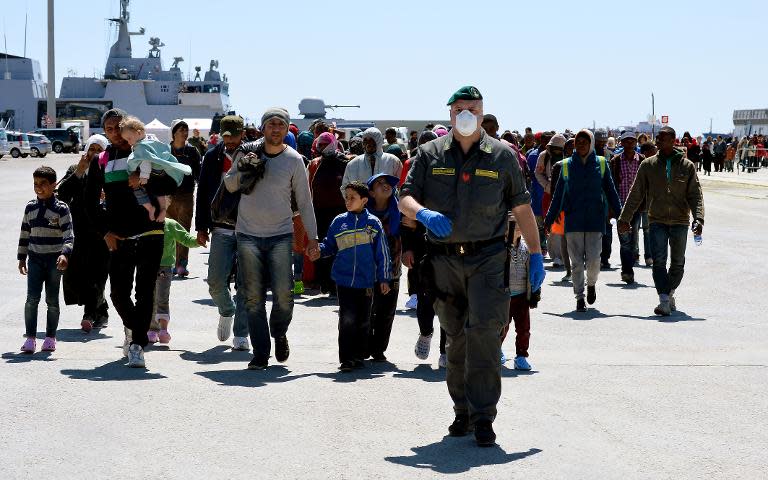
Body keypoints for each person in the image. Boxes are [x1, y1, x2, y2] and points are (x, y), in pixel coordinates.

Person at [399, 86, 545, 447]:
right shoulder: (429, 153)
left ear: (482, 113)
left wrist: (537, 252)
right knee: (456, 335)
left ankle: (483, 416)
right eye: (459, 108)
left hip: (488, 259)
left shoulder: (501, 156)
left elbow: (523, 207)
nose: (465, 114)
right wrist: (423, 213)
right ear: (450, 114)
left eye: (472, 108)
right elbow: (405, 197)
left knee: (483, 332)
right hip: (445, 259)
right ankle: (461, 410)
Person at [224, 107, 319, 370]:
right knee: (252, 297)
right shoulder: (246, 152)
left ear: (287, 129)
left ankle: (279, 331)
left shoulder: (294, 160)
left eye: (280, 124)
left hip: (280, 235)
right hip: (247, 235)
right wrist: (245, 169)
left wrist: (313, 238)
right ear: (263, 128)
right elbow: (230, 185)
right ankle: (261, 353)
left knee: (284, 295)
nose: (276, 128)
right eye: (271, 124)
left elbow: (305, 201)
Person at [85, 108, 176, 368]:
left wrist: (147, 179)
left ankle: (137, 345)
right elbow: (89, 204)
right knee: (118, 294)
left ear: (128, 126)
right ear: (105, 132)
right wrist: (105, 232)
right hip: (119, 236)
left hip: (151, 231)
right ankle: (134, 328)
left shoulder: (148, 150)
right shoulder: (101, 160)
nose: (116, 134)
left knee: (145, 291)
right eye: (110, 129)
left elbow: (175, 182)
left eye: (119, 127)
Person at [618, 126, 705, 316]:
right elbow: (636, 193)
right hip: (656, 220)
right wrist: (624, 218)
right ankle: (664, 300)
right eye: (657, 139)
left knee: (678, 264)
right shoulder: (648, 165)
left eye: (662, 139)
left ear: (673, 140)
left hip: (680, 221)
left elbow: (695, 195)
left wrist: (699, 219)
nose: (657, 142)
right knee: (658, 261)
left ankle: (669, 291)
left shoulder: (687, 166)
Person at [310, 182, 390, 372]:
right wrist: (318, 251)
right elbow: (329, 245)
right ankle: (346, 358)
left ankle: (359, 355)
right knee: (347, 319)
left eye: (352, 197)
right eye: (346, 197)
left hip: (366, 281)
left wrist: (384, 278)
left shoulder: (373, 223)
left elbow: (383, 253)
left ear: (364, 200)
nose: (348, 200)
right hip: (344, 280)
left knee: (364, 319)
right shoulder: (339, 222)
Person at [544, 129, 622, 312]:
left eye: (584, 141)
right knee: (577, 262)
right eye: (577, 142)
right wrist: (548, 221)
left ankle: (591, 284)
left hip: (595, 220)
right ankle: (579, 297)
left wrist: (622, 217)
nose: (580, 145)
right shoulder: (566, 166)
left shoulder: (602, 164)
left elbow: (611, 192)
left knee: (594, 260)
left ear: (591, 143)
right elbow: (557, 197)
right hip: (573, 221)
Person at [196, 115, 250, 351]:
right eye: (225, 136)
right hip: (220, 226)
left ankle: (241, 333)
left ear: (242, 134)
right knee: (216, 282)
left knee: (246, 284)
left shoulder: (252, 156)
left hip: (249, 227)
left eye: (233, 136)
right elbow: (204, 190)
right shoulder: (211, 156)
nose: (229, 141)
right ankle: (227, 310)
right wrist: (201, 226)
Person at [57, 134, 110, 332]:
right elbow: (62, 194)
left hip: (102, 230)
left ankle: (89, 313)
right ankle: (101, 308)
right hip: (78, 229)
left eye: (99, 149)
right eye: (92, 149)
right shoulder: (76, 169)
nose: (95, 153)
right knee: (77, 274)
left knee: (98, 274)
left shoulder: (110, 169)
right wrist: (79, 171)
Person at [18, 166, 73, 353]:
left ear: (53, 185)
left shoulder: (61, 209)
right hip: (34, 259)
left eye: (43, 184)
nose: (38, 187)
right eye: (35, 184)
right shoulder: (30, 207)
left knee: (52, 301)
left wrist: (65, 253)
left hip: (53, 261)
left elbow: (69, 235)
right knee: (31, 299)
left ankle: (50, 337)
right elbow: (25, 233)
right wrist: (21, 258)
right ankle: (31, 338)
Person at [119, 116, 192, 222]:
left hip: (150, 174)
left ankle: (149, 208)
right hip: (160, 175)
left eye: (129, 139)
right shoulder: (151, 139)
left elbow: (146, 160)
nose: (129, 142)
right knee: (159, 192)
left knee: (138, 190)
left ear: (138, 133)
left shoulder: (141, 146)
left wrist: (144, 176)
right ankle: (163, 208)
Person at [147, 218, 203, 344]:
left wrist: (198, 241)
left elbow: (186, 239)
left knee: (162, 298)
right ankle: (152, 329)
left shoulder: (170, 224)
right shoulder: (143, 222)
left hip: (165, 268)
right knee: (149, 299)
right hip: (147, 266)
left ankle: (163, 330)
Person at [365, 173, 402, 362]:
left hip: (392, 270)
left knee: (386, 312)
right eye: (379, 184)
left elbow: (412, 233)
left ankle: (379, 349)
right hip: (368, 271)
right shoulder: (362, 215)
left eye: (387, 183)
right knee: (367, 310)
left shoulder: (400, 211)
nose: (385, 185)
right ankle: (364, 346)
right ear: (370, 193)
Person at [308, 132, 349, 296]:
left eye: (326, 144)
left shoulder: (344, 163)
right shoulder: (315, 164)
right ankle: (325, 283)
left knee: (340, 248)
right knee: (323, 248)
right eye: (320, 144)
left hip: (340, 213)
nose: (322, 147)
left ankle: (337, 284)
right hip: (319, 213)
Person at [610, 132, 645, 284]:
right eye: (626, 141)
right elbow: (611, 185)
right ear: (621, 144)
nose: (630, 144)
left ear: (636, 143)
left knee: (633, 238)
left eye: (632, 141)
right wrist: (611, 207)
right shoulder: (616, 161)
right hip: (620, 207)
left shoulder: (642, 161)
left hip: (636, 207)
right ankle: (627, 271)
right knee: (624, 240)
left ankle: (628, 267)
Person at [167, 119, 202, 277]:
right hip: (167, 196)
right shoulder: (166, 150)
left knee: (182, 230)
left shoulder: (192, 151)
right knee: (169, 231)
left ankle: (181, 264)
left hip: (186, 195)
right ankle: (170, 261)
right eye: (181, 130)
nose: (184, 133)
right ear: (174, 133)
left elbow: (198, 174)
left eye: (186, 130)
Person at [342, 127, 402, 194]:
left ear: (378, 141)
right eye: (365, 140)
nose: (368, 144)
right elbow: (345, 187)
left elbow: (400, 185)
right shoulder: (353, 164)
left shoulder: (393, 161)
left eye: (371, 140)